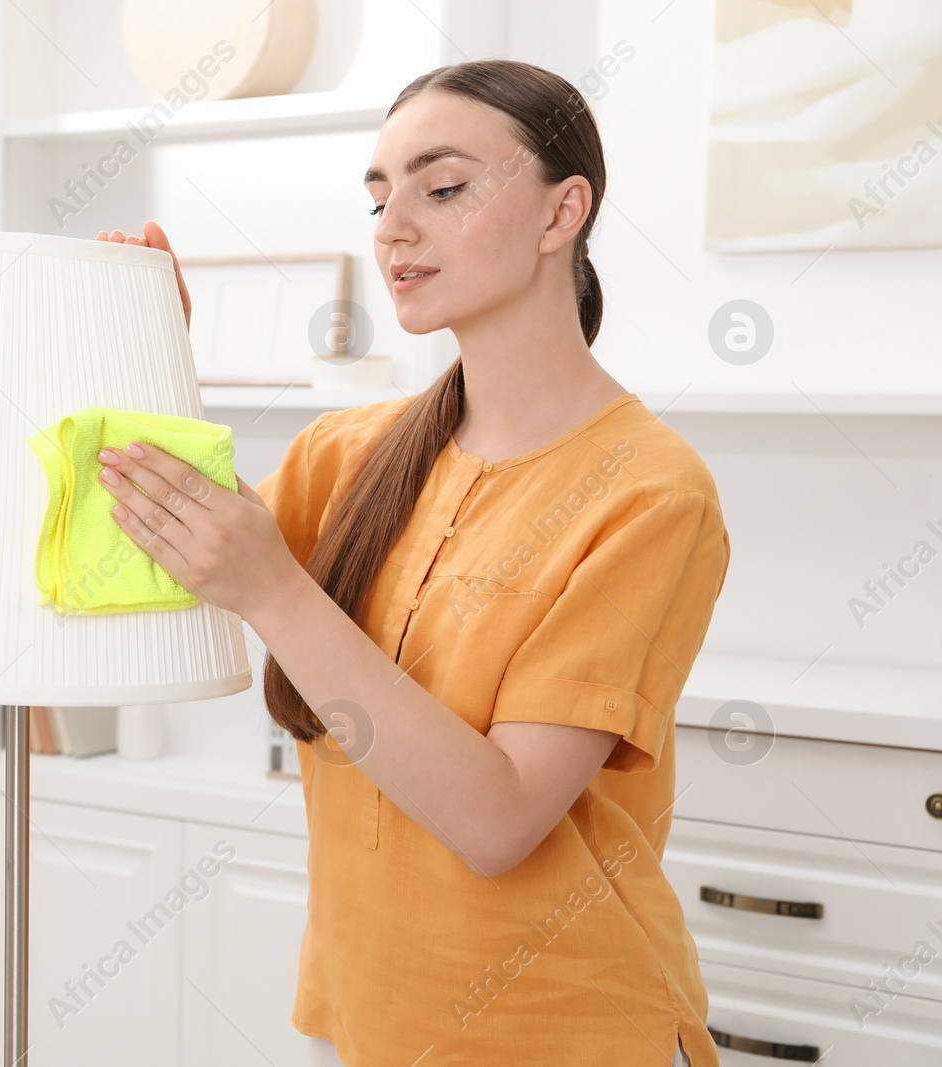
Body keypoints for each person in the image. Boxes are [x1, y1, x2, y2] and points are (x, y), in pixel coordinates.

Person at [94, 57, 725, 1067]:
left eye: (441, 188)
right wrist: (142, 341)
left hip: (570, 1030)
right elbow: (153, 561)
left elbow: (499, 818)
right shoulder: (345, 452)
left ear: (563, 212)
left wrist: (274, 587)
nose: (392, 226)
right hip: (360, 1018)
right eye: (379, 195)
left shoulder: (649, 492)